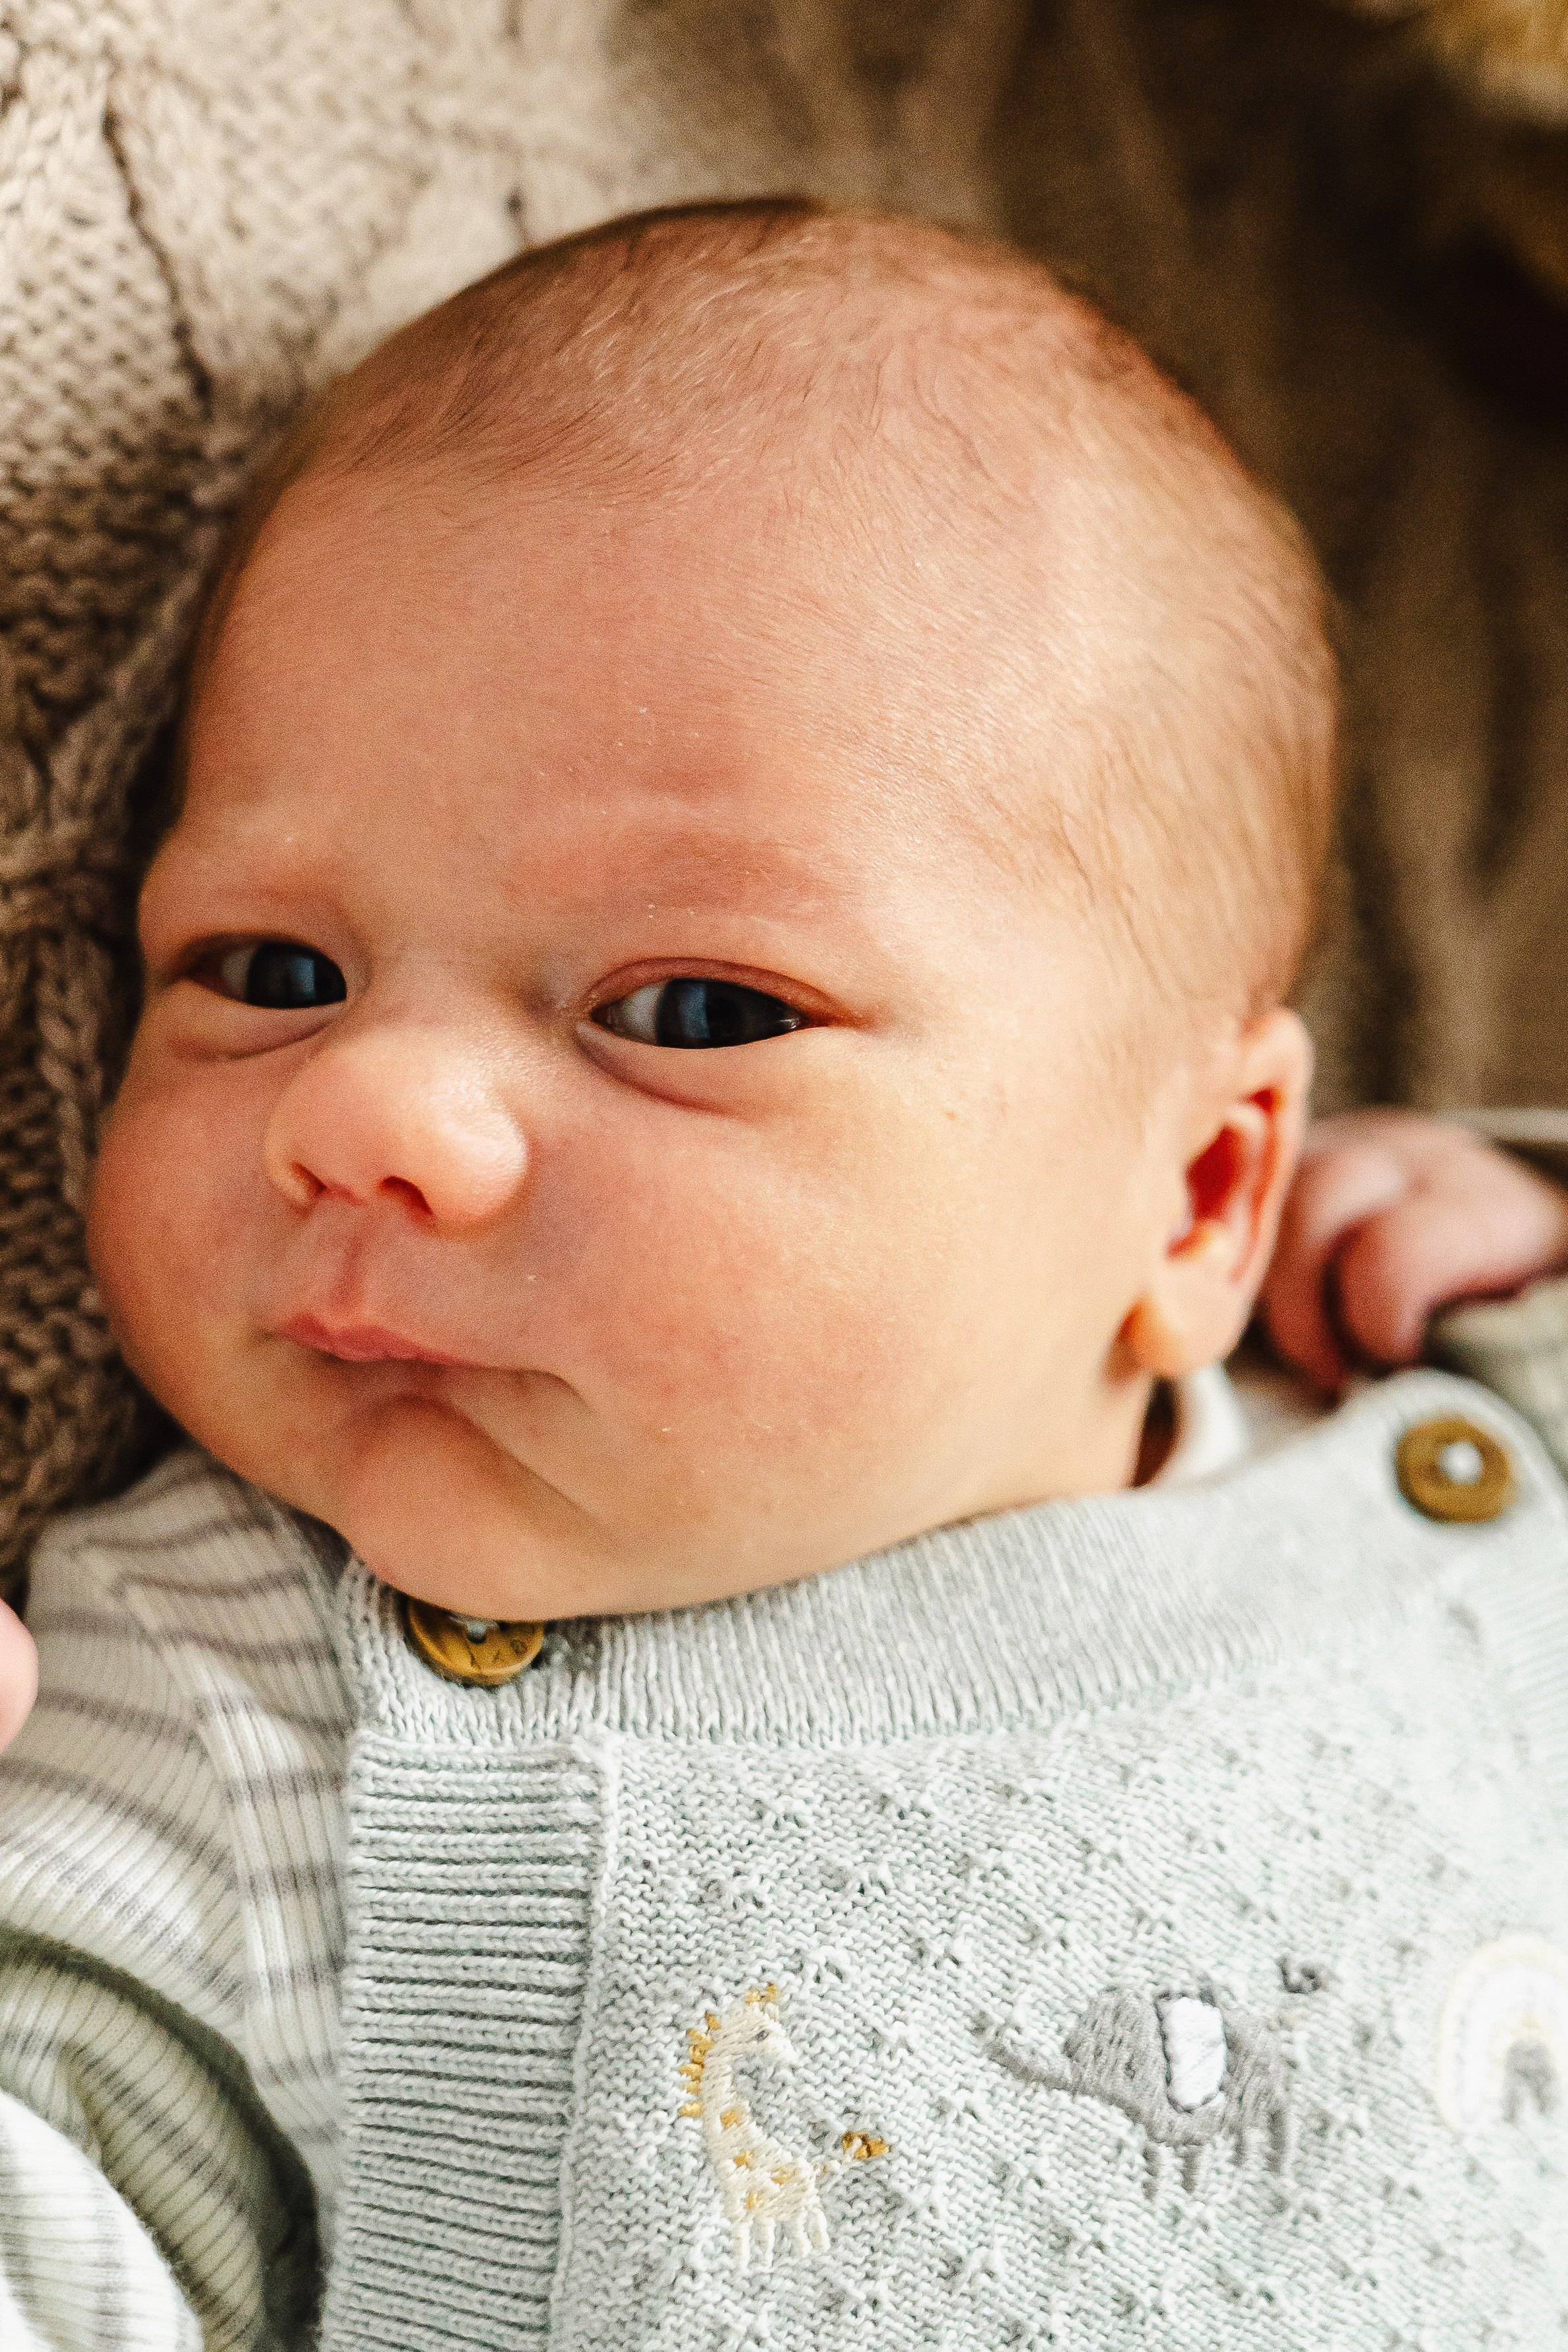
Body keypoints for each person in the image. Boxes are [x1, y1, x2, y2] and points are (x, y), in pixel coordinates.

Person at [2, 197, 1567, 2350]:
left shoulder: (1463, 1450)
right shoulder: (234, 1703)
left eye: (696, 1011)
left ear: (1200, 1192)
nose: (365, 1113)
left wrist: (1512, 1217)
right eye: (271, 970)